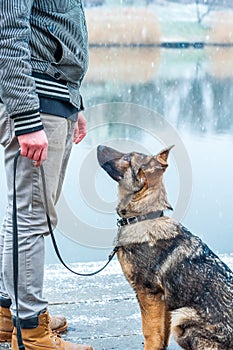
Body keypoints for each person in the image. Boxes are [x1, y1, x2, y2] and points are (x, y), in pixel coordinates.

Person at [0, 1, 93, 349]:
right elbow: (7, 35)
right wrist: (26, 116)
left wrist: (74, 101)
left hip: (53, 96)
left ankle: (7, 312)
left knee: (23, 214)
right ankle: (32, 332)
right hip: (35, 99)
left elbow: (56, 27)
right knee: (31, 217)